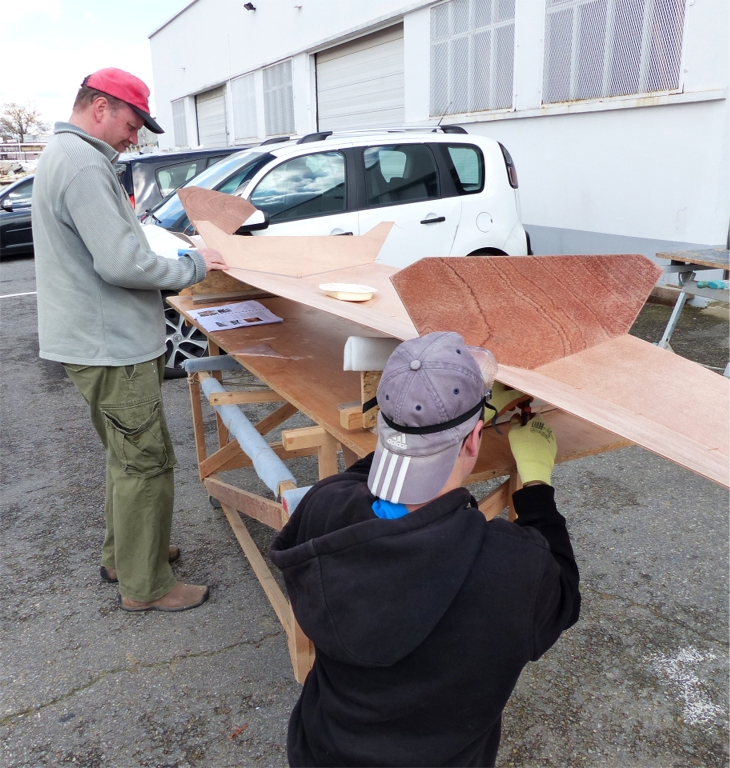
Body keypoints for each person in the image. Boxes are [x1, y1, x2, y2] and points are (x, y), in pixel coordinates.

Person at [269, 331, 581, 767]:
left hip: (320, 750)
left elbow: (365, 477)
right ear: (475, 440)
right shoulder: (515, 568)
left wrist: (430, 431)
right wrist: (536, 484)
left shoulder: (323, 508)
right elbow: (564, 594)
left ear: (382, 424)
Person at [32, 68, 229, 612]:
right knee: (147, 461)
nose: (134, 137)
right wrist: (192, 263)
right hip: (110, 345)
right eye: (132, 122)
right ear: (101, 107)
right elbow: (121, 262)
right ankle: (146, 587)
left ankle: (126, 557)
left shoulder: (67, 157)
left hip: (95, 342)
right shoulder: (80, 165)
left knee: (126, 456)